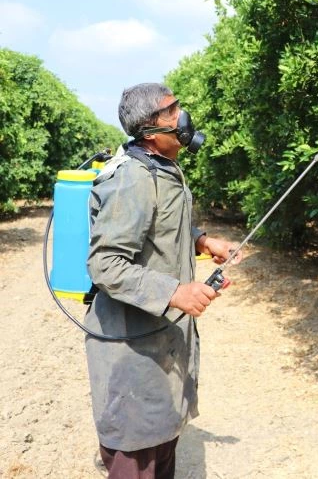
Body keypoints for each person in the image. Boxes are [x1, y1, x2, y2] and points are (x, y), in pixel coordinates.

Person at [84, 83, 241, 478]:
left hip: (158, 339)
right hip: (130, 349)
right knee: (137, 454)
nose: (182, 116)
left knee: (162, 439)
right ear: (150, 132)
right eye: (172, 111)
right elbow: (105, 264)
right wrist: (175, 291)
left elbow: (160, 225)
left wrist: (203, 241)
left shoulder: (161, 168)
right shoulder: (132, 179)